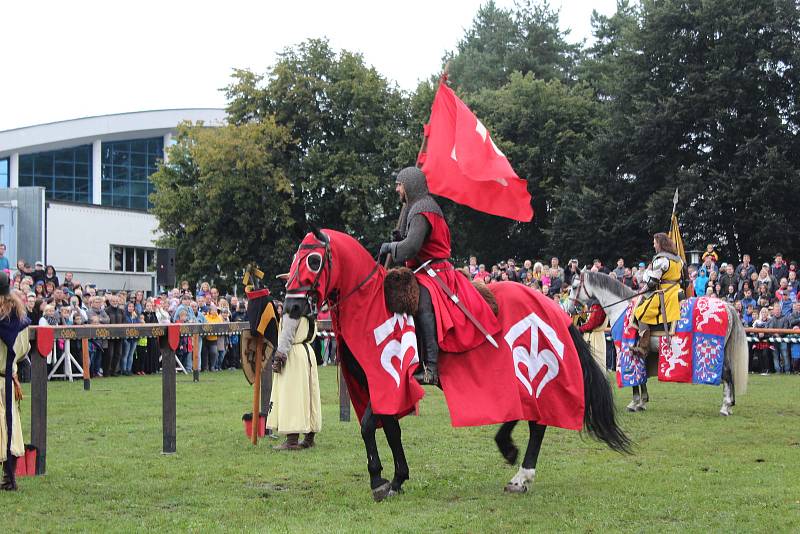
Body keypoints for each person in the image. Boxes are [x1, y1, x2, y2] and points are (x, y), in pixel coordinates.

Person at [379, 167, 500, 385]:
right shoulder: (414, 208)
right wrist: (400, 238)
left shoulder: (424, 209)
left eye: (399, 185)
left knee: (422, 302)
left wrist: (392, 246)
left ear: (409, 185)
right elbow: (411, 243)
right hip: (423, 270)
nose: (397, 189)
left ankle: (431, 368)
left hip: (435, 272)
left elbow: (412, 247)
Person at [267, 308, 321, 450]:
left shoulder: (293, 308)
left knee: (292, 396)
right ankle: (309, 438)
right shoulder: (307, 305)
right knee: (308, 395)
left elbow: (288, 334)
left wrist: (279, 356)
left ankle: (292, 441)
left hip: (293, 355)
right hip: (306, 352)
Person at [0, 274, 31, 491]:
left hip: (3, 378)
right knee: (10, 427)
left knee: (5, 428)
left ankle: (10, 478)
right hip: (8, 378)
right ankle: (10, 477)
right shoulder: (19, 318)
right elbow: (23, 350)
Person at [632, 233, 683, 357]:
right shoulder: (678, 259)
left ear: (660, 243)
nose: (653, 245)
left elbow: (653, 282)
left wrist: (646, 274)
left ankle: (644, 347)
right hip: (677, 289)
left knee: (640, 312)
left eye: (654, 242)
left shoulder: (661, 259)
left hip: (666, 292)